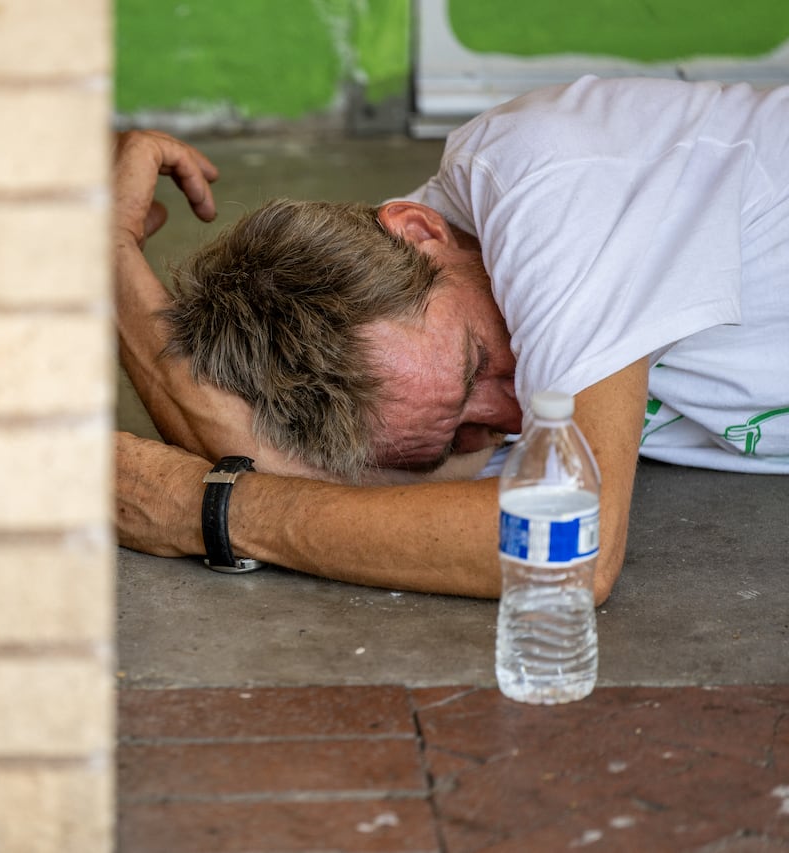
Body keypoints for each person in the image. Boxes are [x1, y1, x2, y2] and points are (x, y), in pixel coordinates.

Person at [114, 76, 789, 603]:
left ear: (420, 230)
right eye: (459, 437)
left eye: (479, 365)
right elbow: (264, 460)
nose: (512, 417)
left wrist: (205, 513)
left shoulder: (548, 184)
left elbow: (565, 544)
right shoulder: (426, 347)